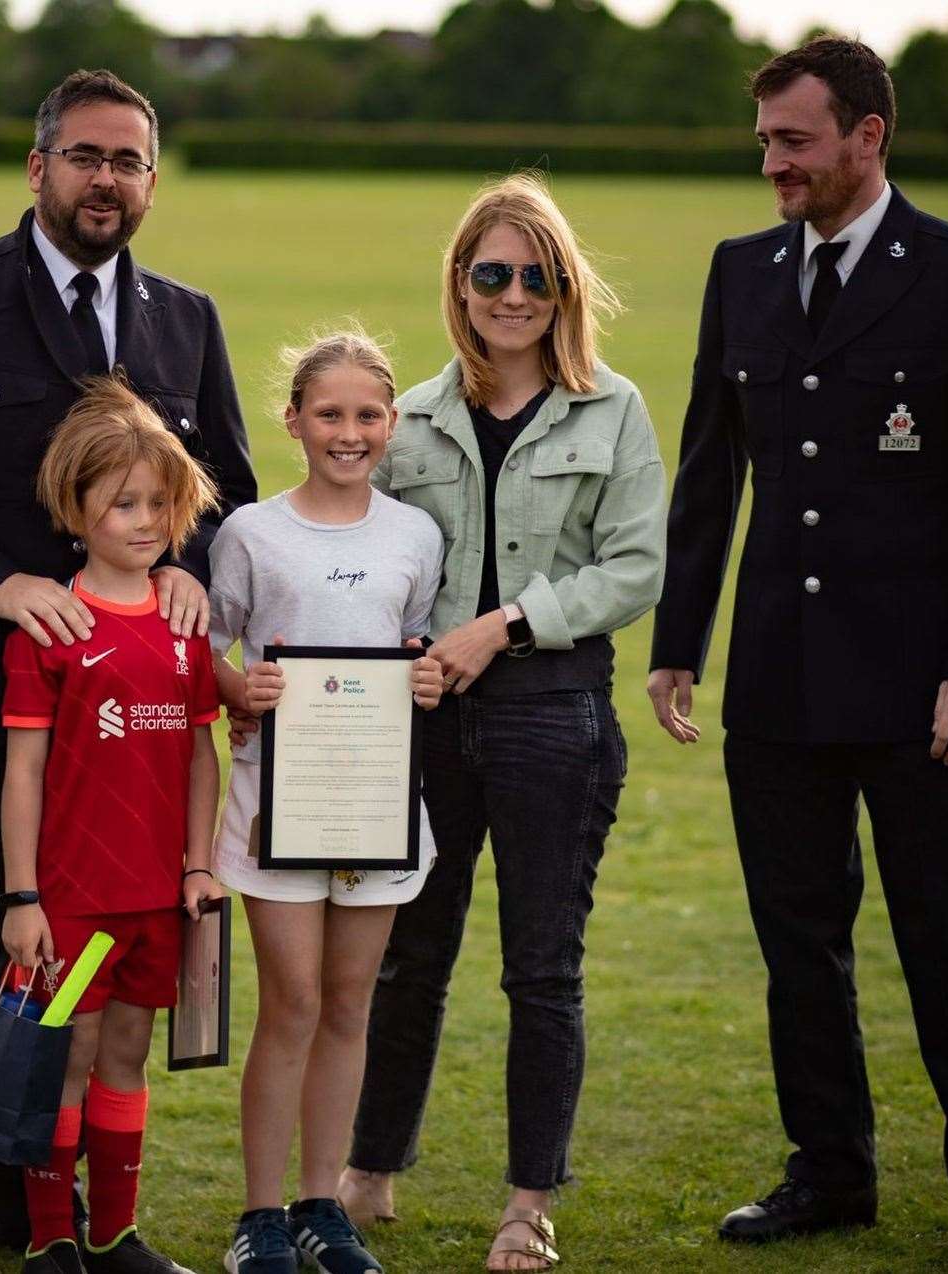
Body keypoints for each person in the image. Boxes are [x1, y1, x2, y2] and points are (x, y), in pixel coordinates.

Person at [0, 69, 257, 1274]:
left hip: (126, 719)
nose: (105, 180)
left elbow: (220, 486)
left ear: (152, 181)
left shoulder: (186, 317)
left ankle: (42, 1216)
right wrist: (2, 585)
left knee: (89, 977)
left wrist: (191, 561)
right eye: (84, 156)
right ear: (38, 169)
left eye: (128, 161)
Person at [646, 36, 948, 1272]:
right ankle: (828, 1169)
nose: (772, 163)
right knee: (798, 941)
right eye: (764, 140)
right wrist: (678, 643)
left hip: (924, 683)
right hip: (778, 674)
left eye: (794, 141)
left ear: (868, 136)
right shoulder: (742, 270)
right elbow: (712, 470)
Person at [313, 174, 666, 1273]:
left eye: (535, 275)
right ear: (459, 285)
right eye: (490, 274)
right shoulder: (404, 416)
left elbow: (636, 565)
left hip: (552, 716)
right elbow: (353, 547)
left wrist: (505, 625)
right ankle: (367, 1171)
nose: (512, 295)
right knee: (405, 957)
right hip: (416, 725)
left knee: (539, 968)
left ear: (564, 286)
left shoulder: (614, 409)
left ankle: (526, 1200)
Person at [209, 330, 445, 1274]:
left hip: (376, 806)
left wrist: (425, 680)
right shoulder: (251, 533)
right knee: (293, 1002)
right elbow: (207, 649)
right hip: (276, 806)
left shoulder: (414, 535)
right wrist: (240, 694)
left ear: (391, 423)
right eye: (329, 414)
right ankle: (260, 1216)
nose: (349, 433)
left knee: (350, 1004)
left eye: (367, 415)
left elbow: (413, 648)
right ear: (295, 421)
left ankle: (322, 1205)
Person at [0, 377, 223, 1274]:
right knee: (68, 1056)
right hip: (75, 904)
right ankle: (51, 1237)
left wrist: (198, 867)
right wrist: (23, 897)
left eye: (159, 504)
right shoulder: (51, 627)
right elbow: (22, 772)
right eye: (122, 502)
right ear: (75, 508)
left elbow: (203, 754)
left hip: (153, 901)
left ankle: (116, 1235)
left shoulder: (184, 625)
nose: (144, 520)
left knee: (126, 1054)